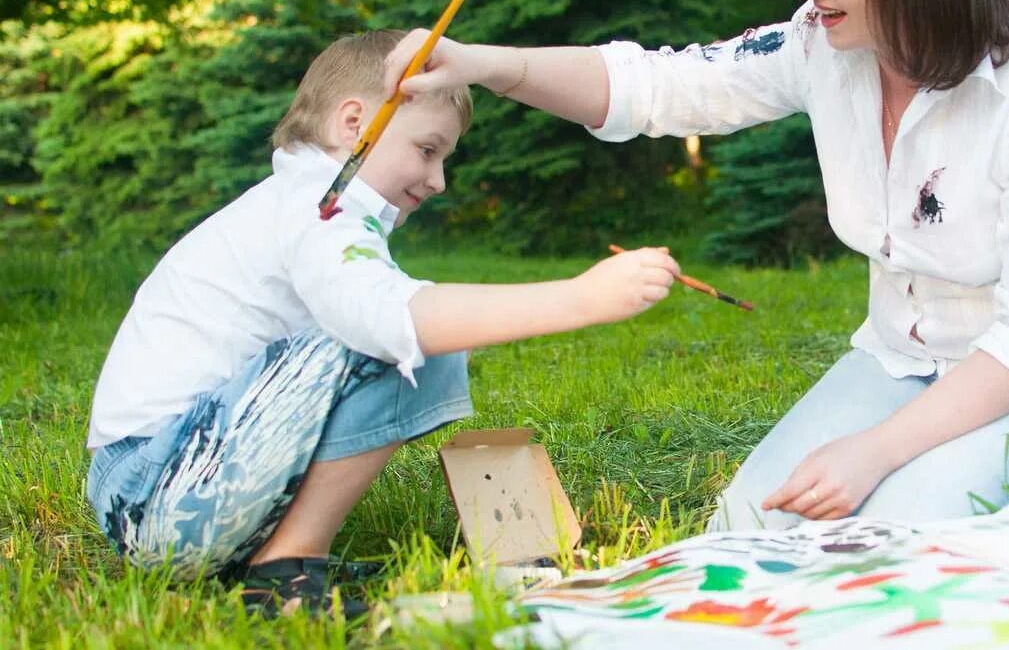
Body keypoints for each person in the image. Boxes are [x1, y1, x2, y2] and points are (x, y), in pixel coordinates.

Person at [384, 0, 1009, 531]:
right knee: (747, 525)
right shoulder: (820, 46)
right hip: (904, 359)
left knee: (894, 529)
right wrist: (484, 63)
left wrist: (872, 453)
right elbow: (664, 85)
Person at [85, 30, 681, 617]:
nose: (438, 180)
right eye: (427, 150)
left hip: (165, 485)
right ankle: (282, 580)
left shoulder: (305, 202)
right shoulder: (320, 206)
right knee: (404, 332)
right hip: (151, 490)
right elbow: (387, 318)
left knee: (426, 331)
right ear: (353, 125)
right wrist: (581, 298)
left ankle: (275, 557)